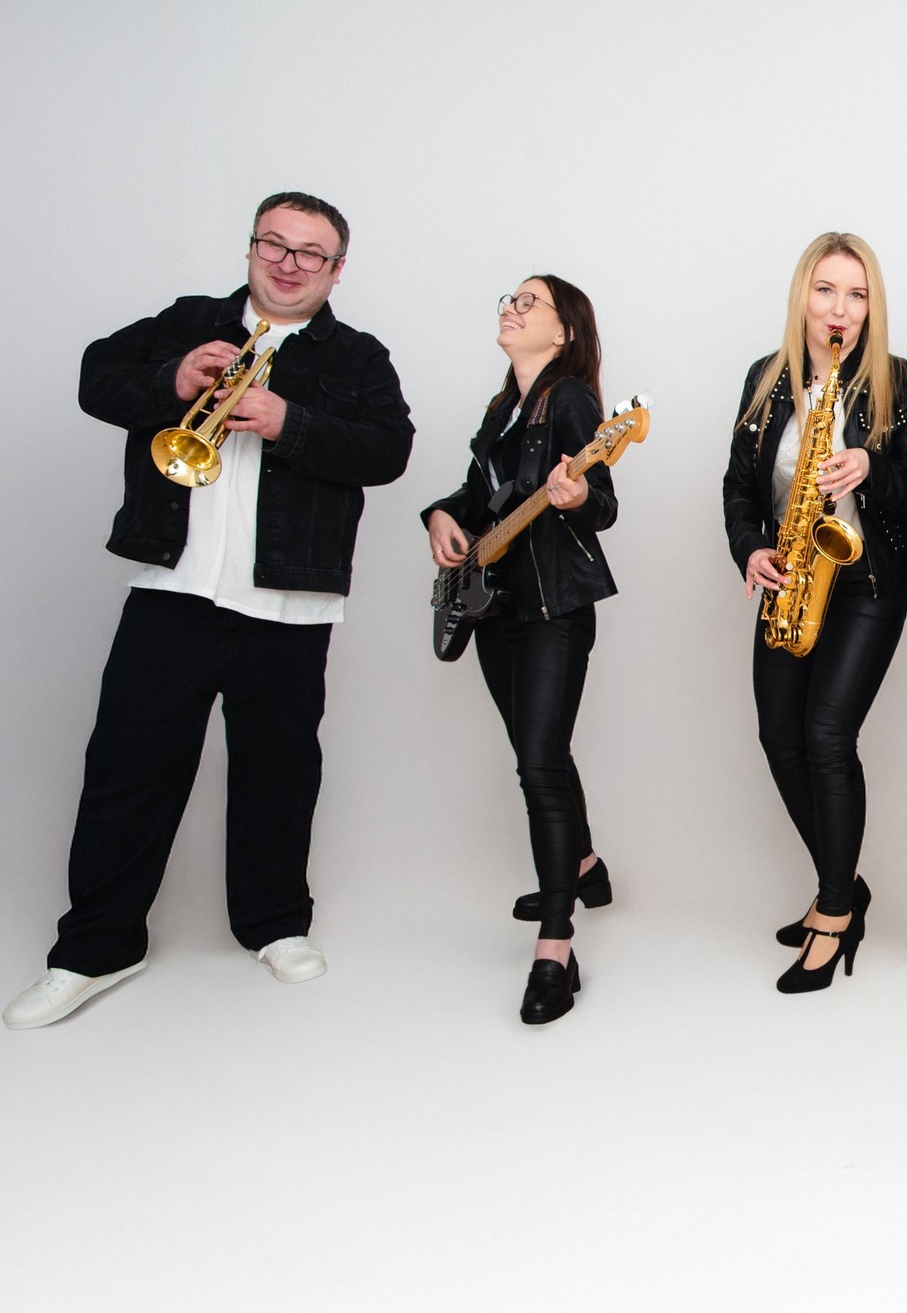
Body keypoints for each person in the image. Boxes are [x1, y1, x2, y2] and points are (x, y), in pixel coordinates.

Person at [4, 192, 413, 1030]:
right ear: (252, 247)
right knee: (128, 770)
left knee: (278, 774)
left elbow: (389, 448)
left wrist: (291, 422)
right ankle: (96, 946)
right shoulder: (188, 322)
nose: (289, 263)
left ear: (337, 270)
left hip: (290, 602)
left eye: (311, 252)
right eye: (275, 244)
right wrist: (173, 380)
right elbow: (94, 377)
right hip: (174, 588)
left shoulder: (358, 356)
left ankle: (274, 923)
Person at [722, 233, 907, 994]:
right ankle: (845, 884)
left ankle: (834, 913)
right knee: (780, 738)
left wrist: (872, 465)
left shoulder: (896, 380)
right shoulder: (764, 379)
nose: (841, 309)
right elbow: (738, 486)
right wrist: (750, 548)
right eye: (827, 290)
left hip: (868, 579)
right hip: (791, 575)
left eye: (857, 294)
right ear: (802, 296)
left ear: (872, 306)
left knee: (827, 736)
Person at [424, 276, 619, 1024]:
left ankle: (556, 946)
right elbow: (480, 499)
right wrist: (441, 515)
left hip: (552, 608)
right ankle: (583, 867)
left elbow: (603, 505)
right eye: (509, 298)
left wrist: (579, 496)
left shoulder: (571, 401)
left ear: (564, 331)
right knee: (540, 754)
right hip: (495, 607)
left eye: (528, 302)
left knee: (538, 764)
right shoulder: (503, 407)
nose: (511, 307)